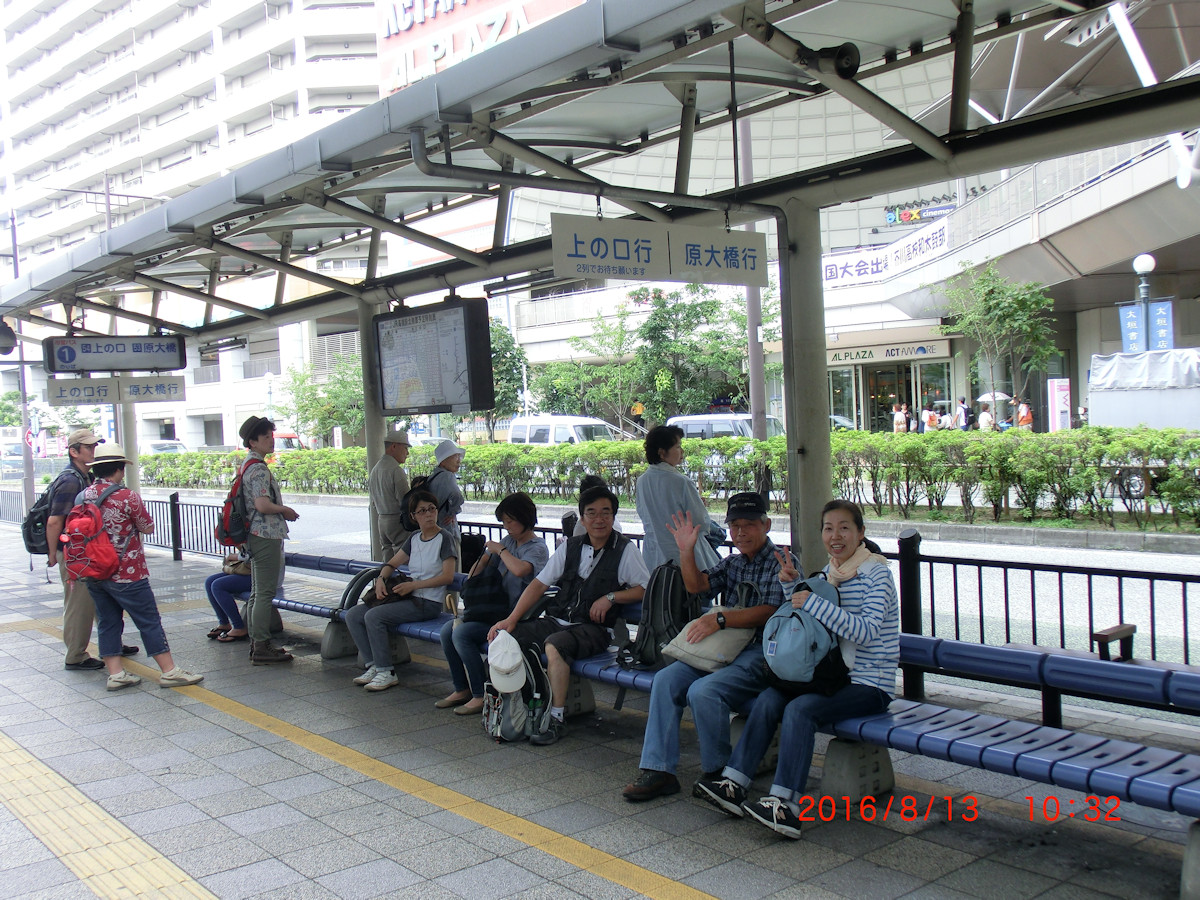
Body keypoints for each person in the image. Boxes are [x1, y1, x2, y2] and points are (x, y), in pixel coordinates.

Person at [693, 499, 898, 839]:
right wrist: (792, 587)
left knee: (800, 710)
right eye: (828, 528)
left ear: (860, 533)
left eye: (844, 528)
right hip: (832, 677)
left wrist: (812, 602)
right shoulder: (832, 572)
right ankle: (734, 783)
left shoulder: (877, 574)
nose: (835, 536)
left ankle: (786, 803)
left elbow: (865, 631)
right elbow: (812, 623)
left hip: (869, 683)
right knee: (769, 698)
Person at [621, 491, 796, 802]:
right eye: (735, 526)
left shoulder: (782, 562)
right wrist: (686, 550)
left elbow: (772, 610)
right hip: (723, 650)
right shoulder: (733, 563)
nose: (741, 532)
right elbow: (697, 586)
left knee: (703, 692)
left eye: (749, 525)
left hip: (762, 653)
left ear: (766, 525)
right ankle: (659, 770)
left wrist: (721, 620)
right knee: (666, 680)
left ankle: (717, 771)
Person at [489, 484, 648, 746]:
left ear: (613, 517)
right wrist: (511, 619)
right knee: (507, 637)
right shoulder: (570, 547)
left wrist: (611, 597)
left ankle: (556, 718)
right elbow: (539, 584)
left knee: (555, 645)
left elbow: (644, 588)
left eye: (606, 513)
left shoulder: (625, 550)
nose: (599, 519)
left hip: (594, 629)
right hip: (557, 620)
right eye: (592, 513)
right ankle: (520, 705)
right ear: (582, 518)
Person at [80, 444, 204, 692]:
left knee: (107, 622)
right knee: (148, 620)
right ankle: (169, 671)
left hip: (94, 571)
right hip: (127, 571)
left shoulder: (84, 496)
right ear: (119, 469)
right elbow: (147, 526)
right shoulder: (127, 496)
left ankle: (116, 674)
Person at [437, 492, 549, 715]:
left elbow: (520, 570)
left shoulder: (537, 547)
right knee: (447, 631)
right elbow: (475, 573)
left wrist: (501, 550)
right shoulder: (508, 541)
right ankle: (461, 688)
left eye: (510, 521)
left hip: (514, 617)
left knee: (462, 634)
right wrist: (485, 559)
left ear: (525, 518)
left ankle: (481, 694)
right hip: (491, 611)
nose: (506, 527)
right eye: (504, 522)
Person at [347, 489, 458, 692]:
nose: (428, 514)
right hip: (409, 598)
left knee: (374, 616)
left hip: (427, 603)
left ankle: (386, 671)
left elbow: (447, 577)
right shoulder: (414, 538)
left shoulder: (445, 538)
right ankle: (374, 666)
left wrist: (414, 585)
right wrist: (381, 579)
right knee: (353, 615)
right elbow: (391, 563)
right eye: (422, 511)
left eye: (432, 509)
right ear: (413, 516)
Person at [46, 428, 138, 670]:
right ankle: (75, 655)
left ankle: (112, 645)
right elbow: (55, 521)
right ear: (74, 452)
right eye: (89, 447)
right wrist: (53, 554)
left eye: (95, 446)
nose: (94, 450)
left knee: (100, 600)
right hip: (74, 554)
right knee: (80, 605)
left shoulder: (84, 477)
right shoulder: (70, 481)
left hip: (87, 552)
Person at [239, 415, 300, 665]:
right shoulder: (259, 469)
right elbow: (262, 505)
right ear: (252, 442)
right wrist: (285, 510)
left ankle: (257, 643)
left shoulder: (247, 465)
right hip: (265, 535)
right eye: (266, 437)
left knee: (257, 592)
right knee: (264, 593)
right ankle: (262, 646)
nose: (271, 440)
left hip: (253, 535)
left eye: (271, 436)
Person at [636, 424, 722, 572]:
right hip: (685, 554)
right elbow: (700, 521)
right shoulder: (681, 482)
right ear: (662, 453)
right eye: (677, 447)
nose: (682, 451)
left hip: (654, 555)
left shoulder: (642, 481)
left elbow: (643, 513)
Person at [368, 428, 412, 560]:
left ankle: (386, 574)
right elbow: (405, 500)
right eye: (405, 448)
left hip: (381, 519)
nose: (407, 453)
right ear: (394, 446)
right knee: (402, 557)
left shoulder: (375, 469)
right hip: (397, 520)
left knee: (387, 557)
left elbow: (373, 501)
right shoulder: (395, 470)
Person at [205, 550, 252, 641]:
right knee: (209, 581)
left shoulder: (268, 541)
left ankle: (239, 627)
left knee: (218, 586)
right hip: (250, 571)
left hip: (261, 576)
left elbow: (254, 554)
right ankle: (224, 623)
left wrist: (233, 557)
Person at [428, 439, 466, 539]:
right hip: (447, 530)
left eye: (459, 456)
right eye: (455, 456)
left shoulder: (433, 477)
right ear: (443, 462)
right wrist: (452, 513)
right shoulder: (447, 476)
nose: (458, 460)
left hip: (433, 530)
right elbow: (458, 497)